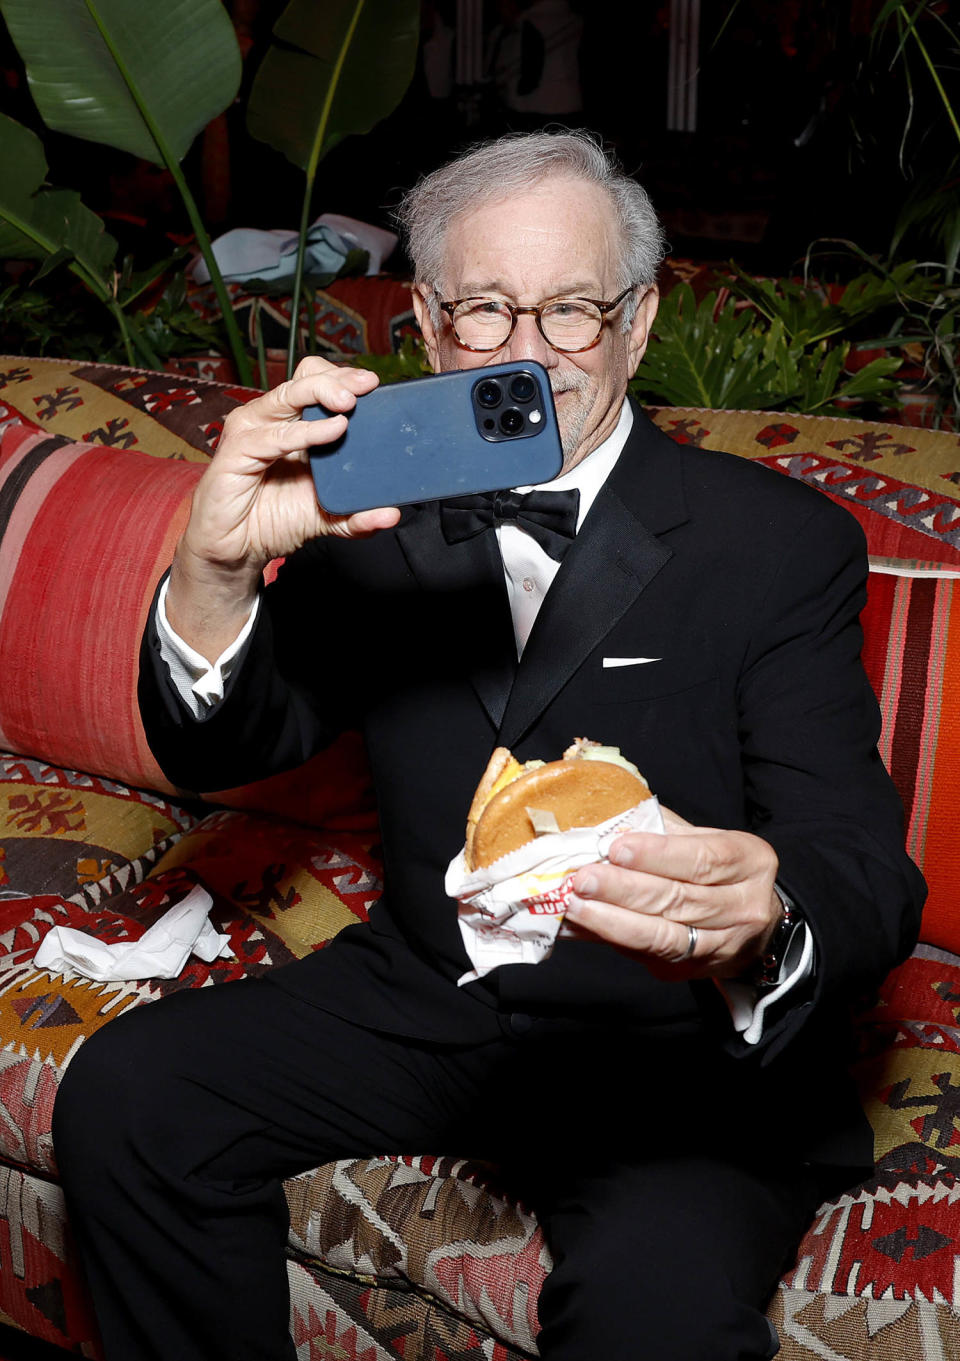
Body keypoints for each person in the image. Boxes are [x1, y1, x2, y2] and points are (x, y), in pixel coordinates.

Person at [53, 130, 925, 1361]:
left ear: (637, 321)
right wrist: (213, 566)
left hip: (669, 1052)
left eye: (571, 309)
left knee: (651, 1311)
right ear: (424, 323)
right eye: (483, 309)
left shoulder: (778, 544)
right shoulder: (371, 512)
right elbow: (225, 747)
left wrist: (769, 913)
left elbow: (863, 868)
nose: (527, 353)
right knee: (130, 1097)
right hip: (428, 992)